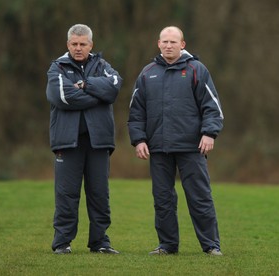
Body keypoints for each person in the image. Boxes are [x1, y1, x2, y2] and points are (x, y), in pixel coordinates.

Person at [128, 26, 224, 256]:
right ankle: (167, 245)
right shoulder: (147, 73)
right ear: (158, 44)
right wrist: (139, 140)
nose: (168, 45)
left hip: (192, 147)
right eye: (165, 41)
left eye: (173, 41)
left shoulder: (196, 70)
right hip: (158, 148)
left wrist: (209, 133)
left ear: (182, 44)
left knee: (200, 198)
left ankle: (211, 246)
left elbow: (212, 107)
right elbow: (136, 112)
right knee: (162, 200)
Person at [46, 24, 122, 254]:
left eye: (83, 44)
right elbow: (63, 97)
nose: (78, 48)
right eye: (74, 44)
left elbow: (114, 87)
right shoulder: (57, 68)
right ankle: (62, 243)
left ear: (91, 45)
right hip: (68, 142)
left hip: (98, 141)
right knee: (67, 194)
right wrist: (98, 97)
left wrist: (86, 85)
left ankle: (100, 242)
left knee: (99, 193)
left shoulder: (102, 66)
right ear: (68, 44)